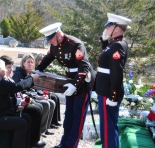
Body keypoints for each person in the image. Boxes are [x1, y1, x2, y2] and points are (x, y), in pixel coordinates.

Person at [37, 22, 94, 148]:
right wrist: (37, 70)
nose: (50, 42)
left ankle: (71, 145)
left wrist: (75, 85)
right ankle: (64, 143)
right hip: (69, 80)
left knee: (77, 117)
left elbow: (84, 68)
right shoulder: (54, 45)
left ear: (58, 34)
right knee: (68, 116)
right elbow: (48, 58)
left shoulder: (75, 44)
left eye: (51, 39)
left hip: (82, 82)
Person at [0, 59, 40, 148]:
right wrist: (31, 78)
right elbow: (17, 87)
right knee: (21, 124)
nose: (5, 70)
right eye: (4, 68)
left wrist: (15, 108)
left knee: (26, 117)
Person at [95, 13, 131, 148]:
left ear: (116, 28)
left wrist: (113, 95)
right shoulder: (115, 43)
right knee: (108, 126)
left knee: (108, 127)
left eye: (109, 26)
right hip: (105, 89)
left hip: (108, 91)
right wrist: (104, 41)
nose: (107, 29)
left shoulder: (118, 45)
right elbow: (107, 58)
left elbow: (116, 73)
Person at [0, 55, 46, 147]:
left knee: (37, 108)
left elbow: (16, 93)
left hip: (11, 106)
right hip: (4, 112)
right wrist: (18, 104)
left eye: (11, 67)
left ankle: (32, 140)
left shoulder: (7, 78)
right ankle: (31, 141)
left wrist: (23, 98)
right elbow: (15, 89)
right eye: (8, 68)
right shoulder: (0, 81)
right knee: (34, 111)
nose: (11, 70)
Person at [12, 54, 56, 138]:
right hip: (24, 98)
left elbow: (33, 89)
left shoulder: (30, 73)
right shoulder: (18, 74)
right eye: (28, 62)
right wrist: (37, 97)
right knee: (45, 104)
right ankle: (38, 131)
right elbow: (21, 91)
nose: (31, 64)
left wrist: (41, 95)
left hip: (32, 96)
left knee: (51, 102)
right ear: (23, 63)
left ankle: (44, 129)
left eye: (32, 62)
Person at [35, 53, 62, 127]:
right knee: (52, 98)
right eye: (40, 60)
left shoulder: (44, 70)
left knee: (56, 97)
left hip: (43, 89)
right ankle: (49, 123)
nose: (42, 62)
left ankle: (54, 121)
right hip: (38, 91)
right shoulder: (36, 70)